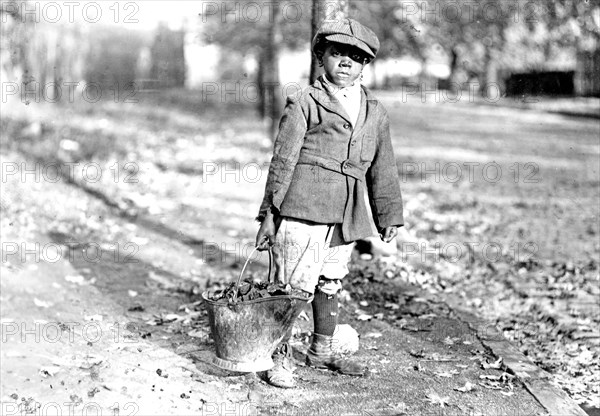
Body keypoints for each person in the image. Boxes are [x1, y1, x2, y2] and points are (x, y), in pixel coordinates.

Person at [255, 18, 404, 388]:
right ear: (321, 56)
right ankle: (280, 356)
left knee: (330, 281)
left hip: (346, 213)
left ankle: (322, 349)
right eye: (337, 53)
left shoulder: (375, 111)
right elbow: (284, 158)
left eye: (356, 57)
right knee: (291, 285)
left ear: (365, 65)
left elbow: (382, 166)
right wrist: (270, 213)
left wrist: (388, 214)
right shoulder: (306, 100)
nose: (346, 63)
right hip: (302, 207)